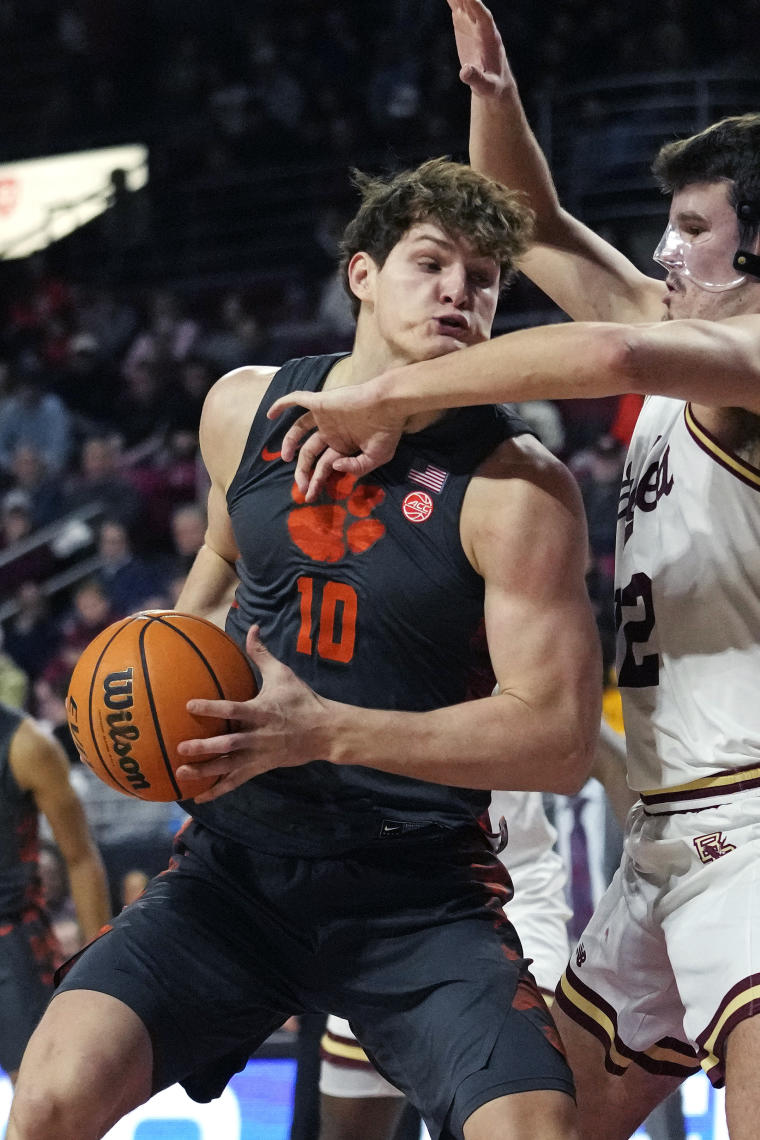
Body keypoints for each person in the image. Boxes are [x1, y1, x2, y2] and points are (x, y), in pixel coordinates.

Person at [262, 0, 760, 1140]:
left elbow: (607, 356)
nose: (663, 249)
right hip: (665, 843)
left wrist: (399, 392)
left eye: (690, 227)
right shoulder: (684, 342)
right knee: (525, 1125)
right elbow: (539, 224)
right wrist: (493, 94)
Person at [8, 158, 600, 1140]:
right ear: (360, 273)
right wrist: (141, 668)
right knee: (49, 1095)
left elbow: (560, 739)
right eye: (431, 262)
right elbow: (224, 550)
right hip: (238, 872)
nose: (461, 288)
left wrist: (323, 730)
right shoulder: (242, 408)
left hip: (417, 890)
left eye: (487, 276)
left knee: (534, 1129)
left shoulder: (516, 487)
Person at [318, 789, 571, 1140]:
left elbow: (584, 760)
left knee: (517, 1113)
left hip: (511, 890)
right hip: (376, 898)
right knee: (350, 1124)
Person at [0, 703, 111, 1084]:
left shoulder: (26, 745)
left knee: (44, 1102)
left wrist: (99, 971)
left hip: (12, 946)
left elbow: (80, 857)